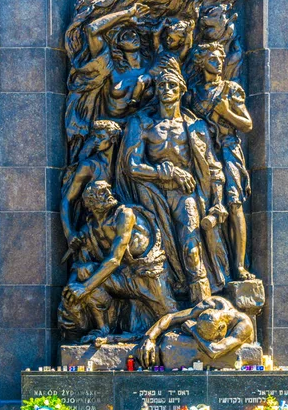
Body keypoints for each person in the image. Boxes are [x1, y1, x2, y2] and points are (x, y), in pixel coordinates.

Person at [115, 60, 231, 305]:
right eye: (162, 85)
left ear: (181, 90)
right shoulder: (141, 123)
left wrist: (218, 204)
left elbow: (213, 168)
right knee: (159, 253)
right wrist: (166, 173)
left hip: (185, 194)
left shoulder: (196, 126)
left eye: (171, 85)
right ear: (156, 91)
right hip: (150, 195)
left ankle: (203, 306)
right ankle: (165, 308)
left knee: (191, 248)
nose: (166, 89)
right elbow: (131, 166)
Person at [59, 181, 177, 343]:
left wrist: (84, 288)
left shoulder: (124, 214)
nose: (109, 193)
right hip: (121, 278)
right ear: (90, 202)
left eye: (108, 189)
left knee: (170, 317)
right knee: (84, 271)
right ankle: (103, 330)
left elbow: (115, 259)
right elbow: (78, 267)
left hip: (146, 277)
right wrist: (71, 292)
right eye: (101, 192)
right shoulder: (89, 229)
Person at [186, 42, 255, 281]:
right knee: (204, 206)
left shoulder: (230, 89)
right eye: (212, 59)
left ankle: (239, 266)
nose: (218, 63)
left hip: (227, 149)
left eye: (220, 59)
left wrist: (225, 112)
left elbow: (246, 125)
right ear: (202, 62)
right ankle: (211, 267)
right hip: (202, 152)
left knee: (234, 204)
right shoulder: (193, 93)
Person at [65, 3, 152, 162]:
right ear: (117, 44)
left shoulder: (152, 69)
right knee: (82, 163)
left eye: (134, 33)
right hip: (105, 133)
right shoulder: (111, 68)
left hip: (139, 135)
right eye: (125, 35)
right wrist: (128, 13)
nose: (131, 36)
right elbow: (92, 29)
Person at [138, 295, 254, 368]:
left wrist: (193, 331)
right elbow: (171, 317)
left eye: (213, 338)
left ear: (221, 327)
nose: (216, 340)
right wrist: (150, 337)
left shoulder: (243, 325)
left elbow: (215, 350)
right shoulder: (208, 305)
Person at [60, 120, 122, 253]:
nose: (96, 141)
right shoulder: (89, 166)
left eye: (101, 137)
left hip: (121, 224)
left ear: (113, 138)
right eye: (94, 137)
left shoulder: (124, 163)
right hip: (96, 231)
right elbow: (67, 200)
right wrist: (69, 233)